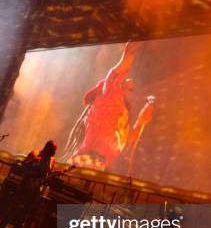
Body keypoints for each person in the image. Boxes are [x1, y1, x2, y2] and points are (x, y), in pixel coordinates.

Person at [64, 42, 155, 171]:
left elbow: (127, 141)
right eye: (126, 81)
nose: (130, 82)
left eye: (132, 87)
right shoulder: (109, 94)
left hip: (97, 166)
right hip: (86, 163)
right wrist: (128, 54)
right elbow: (116, 73)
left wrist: (141, 121)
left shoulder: (122, 113)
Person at [0, 140, 57, 228]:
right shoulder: (35, 154)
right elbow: (24, 166)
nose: (54, 152)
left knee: (26, 209)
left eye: (55, 150)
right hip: (26, 184)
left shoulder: (52, 160)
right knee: (14, 204)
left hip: (36, 188)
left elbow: (47, 174)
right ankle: (3, 224)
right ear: (47, 148)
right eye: (53, 149)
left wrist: (51, 176)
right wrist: (32, 165)